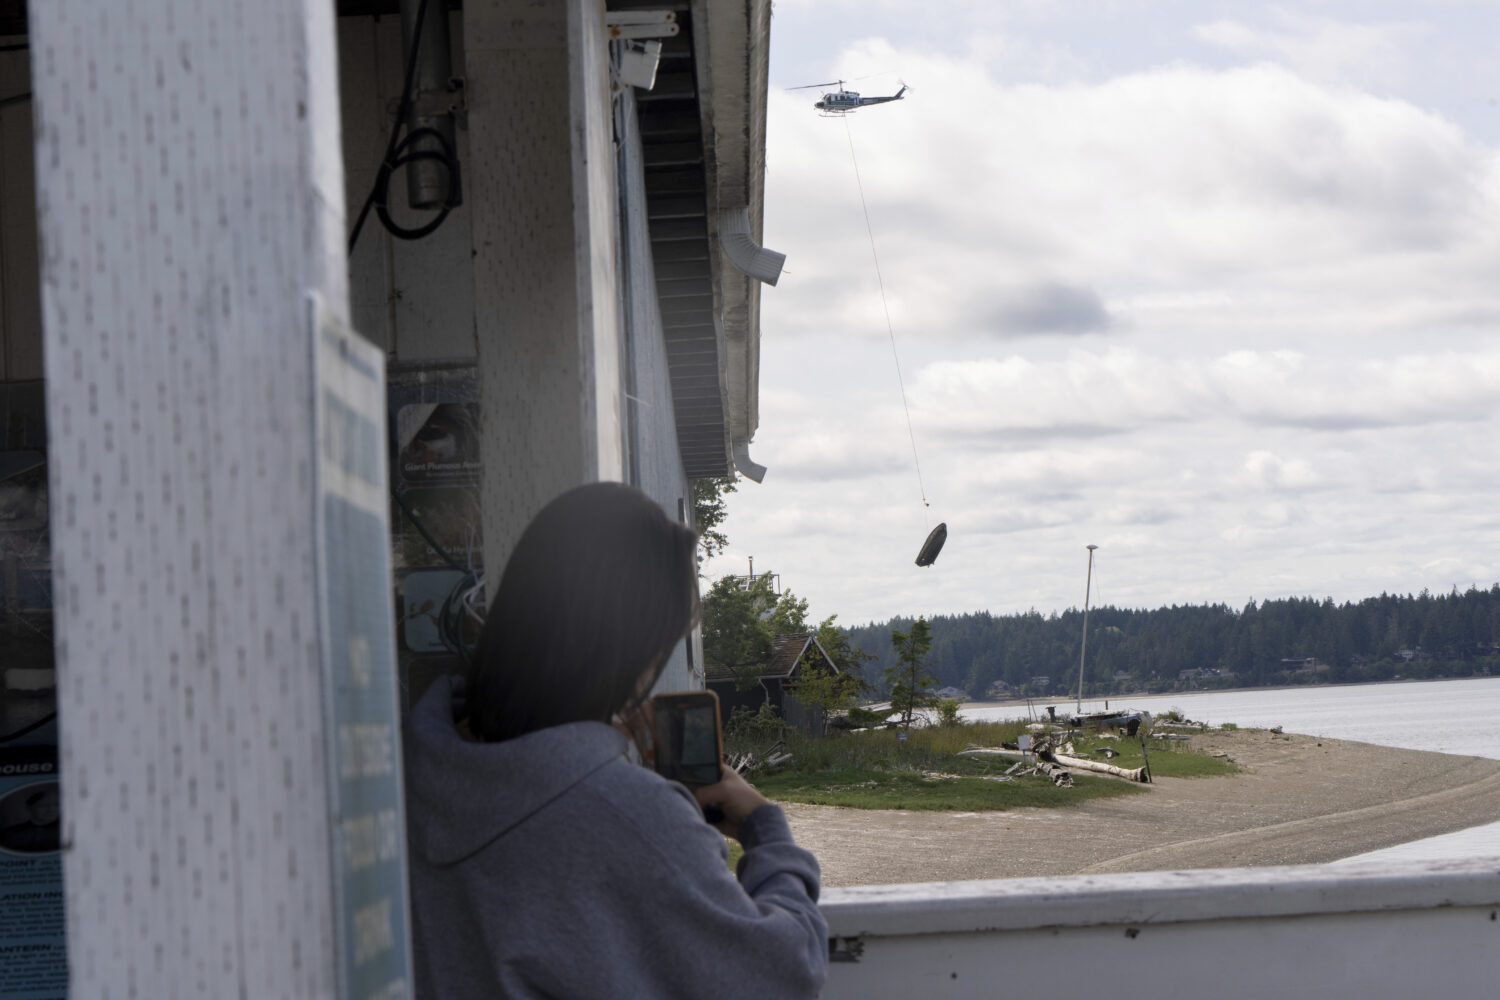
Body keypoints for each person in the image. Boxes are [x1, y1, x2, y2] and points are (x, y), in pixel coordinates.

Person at [403, 482, 828, 999]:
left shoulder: (401, 781)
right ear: (635, 655)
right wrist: (767, 833)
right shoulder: (629, 816)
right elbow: (785, 971)